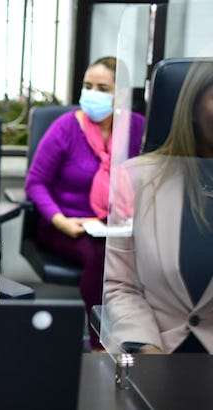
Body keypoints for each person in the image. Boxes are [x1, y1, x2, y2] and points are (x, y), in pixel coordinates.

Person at [24, 56, 145, 349]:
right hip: (66, 225)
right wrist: (60, 220)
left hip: (118, 226)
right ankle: (99, 344)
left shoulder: (137, 128)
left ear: (121, 94)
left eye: (102, 88)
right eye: (88, 86)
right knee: (102, 255)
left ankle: (143, 339)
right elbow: (35, 183)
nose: (92, 93)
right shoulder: (65, 127)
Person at [103, 60, 213, 354]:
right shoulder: (134, 179)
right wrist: (147, 349)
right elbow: (120, 286)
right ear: (192, 108)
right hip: (153, 348)